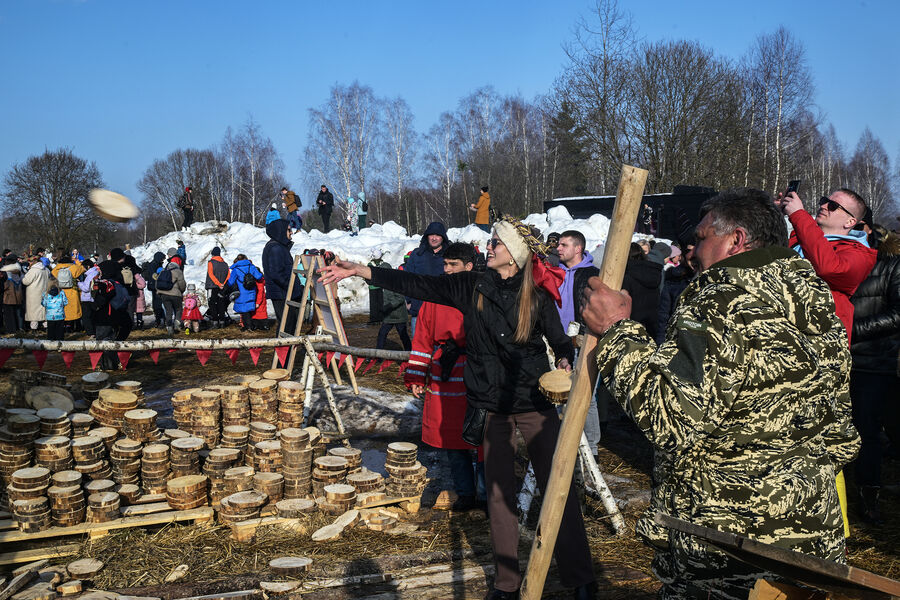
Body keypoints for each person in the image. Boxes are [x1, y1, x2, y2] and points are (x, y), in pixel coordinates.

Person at [581, 188, 860, 599]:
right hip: (810, 535)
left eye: (701, 237)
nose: (692, 251)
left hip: (727, 546)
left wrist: (616, 330)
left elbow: (670, 417)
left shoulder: (720, 299)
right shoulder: (814, 299)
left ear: (736, 240)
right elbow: (839, 430)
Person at [321, 216, 596, 600]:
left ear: (514, 255)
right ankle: (505, 584)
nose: (489, 247)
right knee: (498, 496)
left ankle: (581, 578)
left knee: (558, 487)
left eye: (496, 243)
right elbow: (419, 284)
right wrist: (363, 271)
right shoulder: (472, 285)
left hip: (533, 402)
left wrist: (566, 358)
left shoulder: (535, 293)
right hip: (490, 407)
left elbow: (559, 340)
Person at [403, 242, 480, 509]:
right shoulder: (435, 295)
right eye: (445, 264)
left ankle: (487, 494)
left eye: (453, 265)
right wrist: (416, 375)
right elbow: (422, 338)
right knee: (451, 437)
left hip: (477, 371)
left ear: (469, 266)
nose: (446, 270)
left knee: (484, 435)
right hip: (444, 374)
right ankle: (466, 493)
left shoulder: (482, 292)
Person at [848, 226, 900, 525]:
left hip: (874, 363)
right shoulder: (840, 262)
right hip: (840, 360)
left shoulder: (891, 265)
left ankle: (869, 500)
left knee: (867, 433)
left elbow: (898, 314)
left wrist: (851, 330)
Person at [776, 187, 877, 339]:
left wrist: (799, 214)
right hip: (780, 329)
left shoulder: (860, 254)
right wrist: (775, 214)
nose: (823, 206)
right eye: (824, 201)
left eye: (833, 206)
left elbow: (829, 268)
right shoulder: (800, 237)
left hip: (818, 341)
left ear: (850, 222)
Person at [403, 221, 448, 335]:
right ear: (427, 236)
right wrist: (409, 301)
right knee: (419, 345)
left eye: (437, 235)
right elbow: (407, 279)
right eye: (431, 235)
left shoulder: (449, 256)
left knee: (441, 345)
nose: (434, 238)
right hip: (419, 310)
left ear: (443, 237)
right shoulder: (417, 254)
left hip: (443, 311)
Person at [262, 219, 301, 334]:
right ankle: (283, 346)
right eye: (289, 230)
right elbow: (276, 274)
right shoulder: (276, 248)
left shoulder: (279, 246)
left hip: (283, 292)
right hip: (281, 293)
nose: (291, 232)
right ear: (281, 231)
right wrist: (291, 286)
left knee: (288, 324)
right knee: (286, 326)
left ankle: (285, 346)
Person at [375, 267, 412, 351]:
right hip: (389, 316)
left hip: (399, 316)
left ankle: (409, 353)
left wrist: (389, 306)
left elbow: (400, 298)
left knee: (403, 335)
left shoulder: (395, 283)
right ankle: (378, 354)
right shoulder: (383, 283)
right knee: (382, 334)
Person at [226, 254, 264, 331]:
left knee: (244, 309)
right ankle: (249, 326)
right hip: (251, 291)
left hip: (241, 292)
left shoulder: (236, 270)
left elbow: (230, 282)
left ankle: (247, 326)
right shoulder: (251, 267)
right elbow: (259, 276)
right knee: (248, 308)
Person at [156, 248, 187, 335]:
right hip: (175, 295)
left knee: (168, 311)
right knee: (178, 309)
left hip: (164, 294)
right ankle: (177, 325)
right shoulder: (178, 272)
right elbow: (182, 284)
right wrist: (181, 292)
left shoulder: (163, 271)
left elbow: (157, 283)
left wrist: (159, 293)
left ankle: (169, 327)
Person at [50, 253, 84, 332]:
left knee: (63, 310)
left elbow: (52, 276)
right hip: (72, 291)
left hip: (61, 292)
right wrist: (77, 261)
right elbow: (82, 268)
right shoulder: (74, 268)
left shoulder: (56, 269)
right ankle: (72, 327)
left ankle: (64, 327)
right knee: (73, 310)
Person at [205, 246, 231, 328]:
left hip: (212, 286)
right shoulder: (225, 264)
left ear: (213, 254)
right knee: (221, 303)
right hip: (222, 287)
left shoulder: (211, 263)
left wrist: (218, 283)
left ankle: (215, 321)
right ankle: (222, 321)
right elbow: (228, 276)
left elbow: (211, 274)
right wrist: (222, 284)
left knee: (212, 303)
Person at [22, 256, 49, 330]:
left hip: (34, 294)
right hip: (44, 292)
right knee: (44, 310)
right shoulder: (46, 269)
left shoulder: (33, 270)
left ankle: (34, 328)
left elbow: (25, 281)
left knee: (34, 311)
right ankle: (46, 326)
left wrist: (22, 277)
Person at [142, 251, 167, 329]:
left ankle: (159, 319)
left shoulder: (155, 264)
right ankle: (159, 319)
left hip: (154, 287)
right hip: (156, 287)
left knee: (157, 303)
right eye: (162, 259)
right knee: (158, 304)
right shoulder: (154, 265)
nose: (163, 261)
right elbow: (154, 277)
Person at [77, 259, 100, 336]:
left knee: (86, 317)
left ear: (88, 266)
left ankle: (90, 333)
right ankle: (95, 332)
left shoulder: (90, 275)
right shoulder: (96, 272)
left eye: (84, 267)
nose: (83, 269)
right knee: (93, 316)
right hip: (94, 298)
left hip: (87, 298)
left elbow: (86, 288)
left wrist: (79, 283)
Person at [1, 260, 24, 333]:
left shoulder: (8, 273)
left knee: (9, 315)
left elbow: (5, 286)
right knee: (17, 313)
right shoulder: (18, 272)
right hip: (18, 296)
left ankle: (11, 330)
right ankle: (19, 327)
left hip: (9, 297)